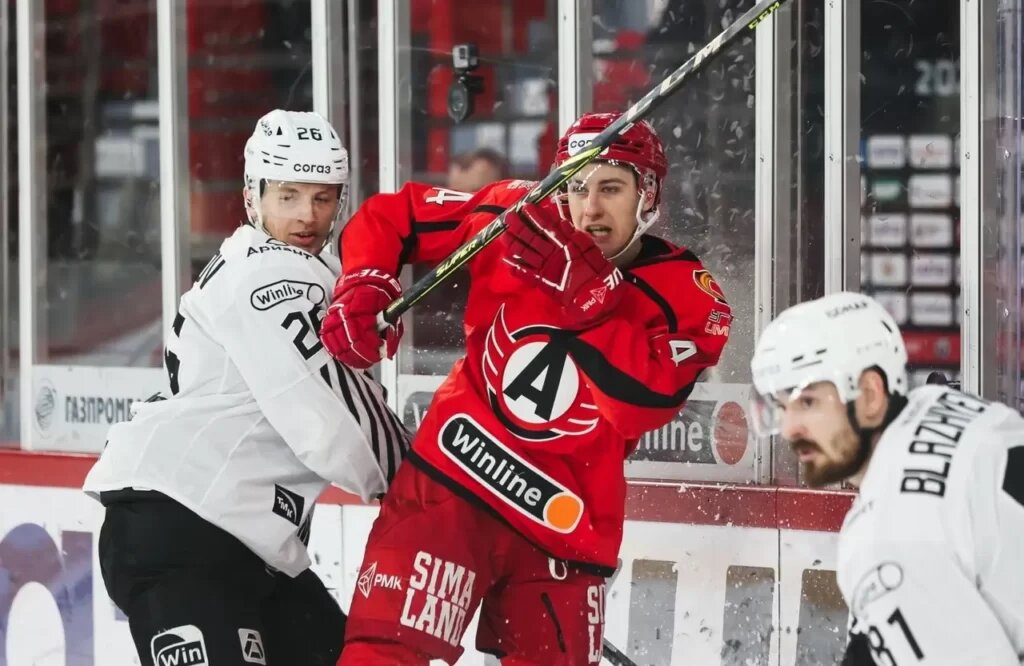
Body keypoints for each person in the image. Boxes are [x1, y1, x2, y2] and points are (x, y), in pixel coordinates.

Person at [319, 112, 732, 665]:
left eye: (611, 189)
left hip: (562, 530)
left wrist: (588, 300)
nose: (589, 209)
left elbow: (644, 404)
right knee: (381, 656)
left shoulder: (689, 294)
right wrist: (366, 281)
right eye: (577, 187)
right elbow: (397, 216)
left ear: (648, 195)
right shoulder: (522, 217)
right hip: (453, 485)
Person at [83, 109, 411, 666]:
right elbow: (330, 415)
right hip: (185, 530)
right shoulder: (271, 273)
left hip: (247, 547)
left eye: (323, 197)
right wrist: (421, 482)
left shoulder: (285, 268)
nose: (307, 214)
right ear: (251, 197)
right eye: (288, 195)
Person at [749, 291, 1024, 666]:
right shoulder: (940, 405)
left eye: (808, 402)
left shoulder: (888, 535)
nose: (790, 428)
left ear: (870, 395)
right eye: (782, 407)